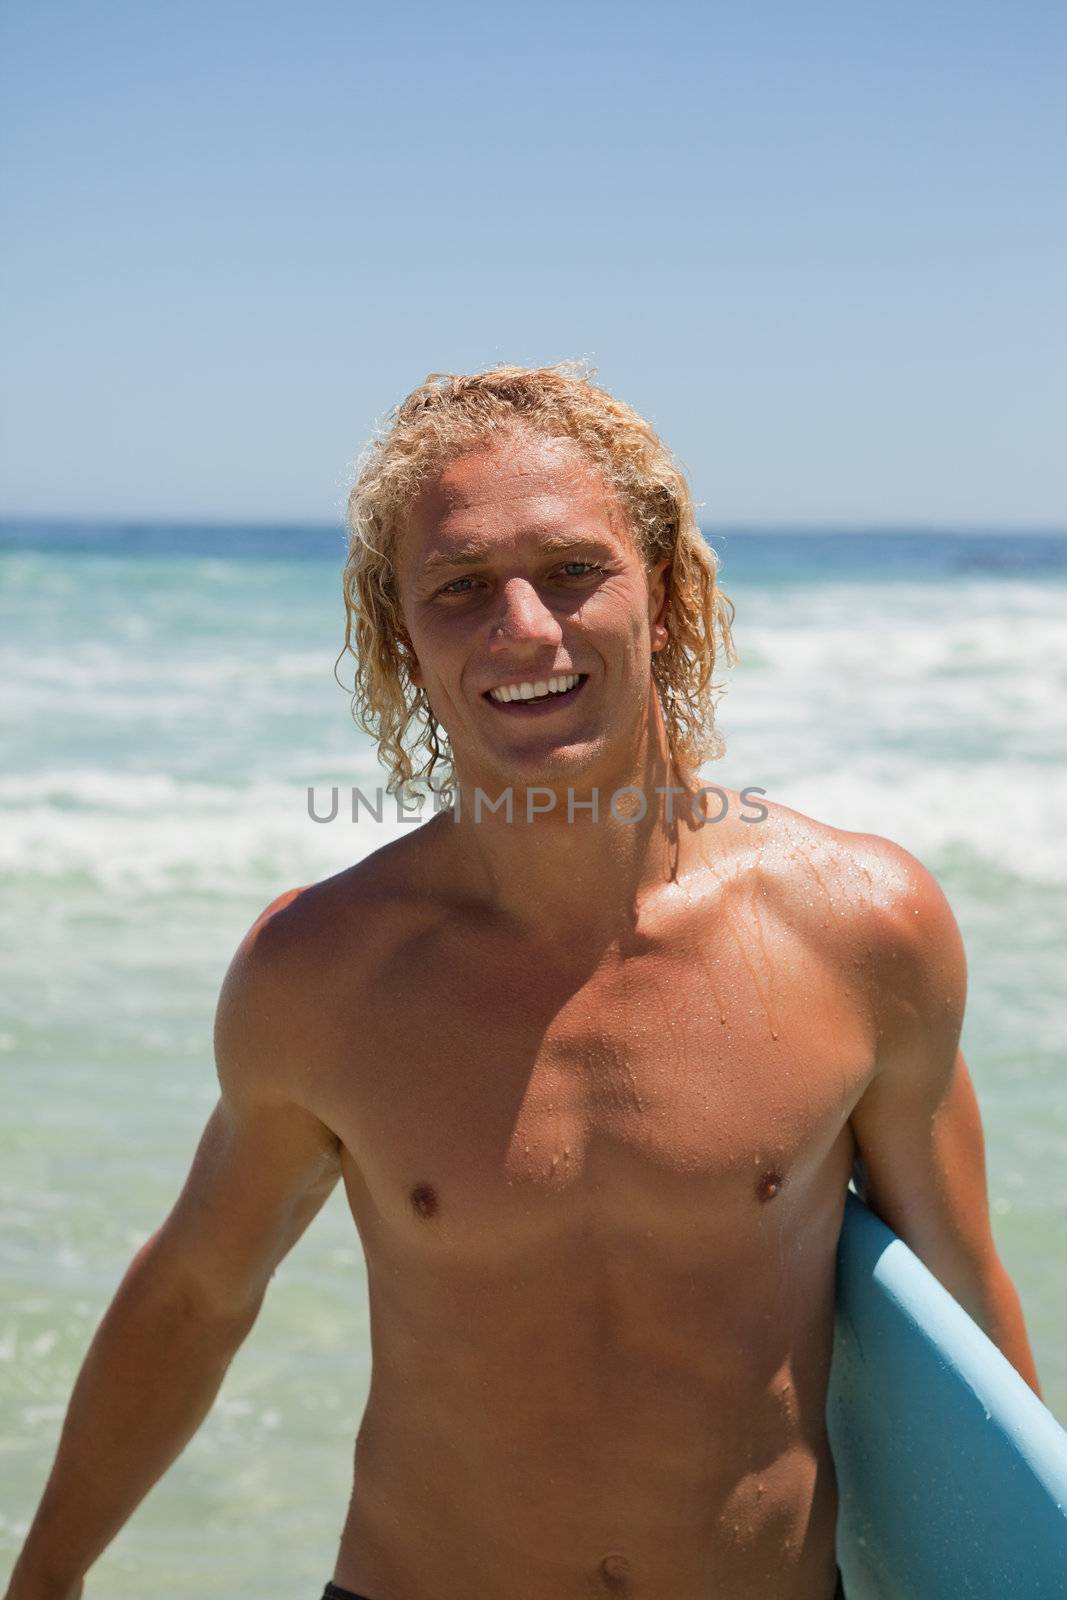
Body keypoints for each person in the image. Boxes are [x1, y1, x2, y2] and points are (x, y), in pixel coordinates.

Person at [6, 363, 1041, 1600]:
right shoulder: (323, 974)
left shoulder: (858, 930)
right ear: (403, 637)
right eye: (457, 589)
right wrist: (45, 1581)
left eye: (570, 571)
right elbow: (198, 1289)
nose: (524, 629)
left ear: (660, 592)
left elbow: (962, 1304)